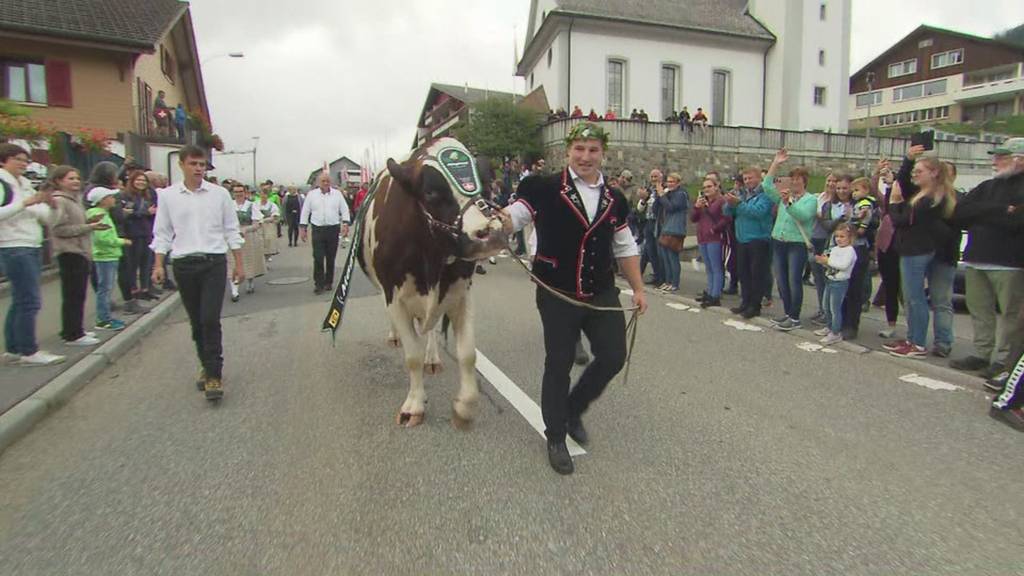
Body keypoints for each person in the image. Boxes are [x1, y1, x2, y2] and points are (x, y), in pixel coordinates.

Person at [499, 122, 647, 475]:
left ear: (602, 154)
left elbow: (625, 247)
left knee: (613, 355)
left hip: (600, 291)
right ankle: (555, 436)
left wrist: (639, 288)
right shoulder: (543, 188)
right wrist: (495, 222)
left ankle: (573, 409)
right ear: (568, 152)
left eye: (593, 149)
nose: (585, 156)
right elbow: (513, 218)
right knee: (560, 361)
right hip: (556, 292)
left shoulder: (616, 199)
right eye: (579, 149)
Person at [150, 146, 245, 401]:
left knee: (210, 318)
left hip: (213, 262)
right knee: (196, 322)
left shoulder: (219, 195)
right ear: (181, 165)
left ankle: (215, 374)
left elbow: (231, 230)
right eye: (193, 163)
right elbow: (162, 233)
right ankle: (205, 363)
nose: (198, 168)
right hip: (183, 263)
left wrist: (238, 263)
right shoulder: (168, 196)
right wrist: (158, 264)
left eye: (202, 164)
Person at [949, 138, 1024, 379]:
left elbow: (1016, 223)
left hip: (1010, 263)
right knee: (980, 310)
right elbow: (959, 213)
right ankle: (981, 354)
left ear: (1019, 160)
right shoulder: (986, 186)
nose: (995, 161)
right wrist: (1000, 209)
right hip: (975, 258)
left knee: (1010, 315)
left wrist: (982, 212)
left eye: (1001, 156)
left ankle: (1004, 360)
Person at [885, 154, 958, 359]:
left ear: (934, 173)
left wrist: (894, 202)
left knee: (915, 298)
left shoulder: (928, 199)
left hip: (916, 250)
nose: (914, 175)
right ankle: (911, 338)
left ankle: (917, 343)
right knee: (913, 298)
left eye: (919, 171)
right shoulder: (925, 195)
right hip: (917, 249)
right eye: (914, 171)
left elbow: (901, 220)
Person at [0, 144, 63, 366]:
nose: (23, 164)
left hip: (32, 243)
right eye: (18, 159)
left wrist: (51, 206)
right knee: (30, 300)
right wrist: (24, 204)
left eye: (26, 161)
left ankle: (14, 349)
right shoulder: (3, 184)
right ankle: (29, 350)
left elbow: (46, 219)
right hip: (13, 245)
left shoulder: (25, 184)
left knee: (20, 299)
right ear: (4, 160)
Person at [762, 151, 818, 331]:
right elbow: (766, 185)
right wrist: (775, 164)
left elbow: (803, 216)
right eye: (792, 179)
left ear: (804, 181)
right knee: (781, 280)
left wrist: (788, 204)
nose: (794, 182)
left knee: (794, 280)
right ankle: (787, 313)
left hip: (797, 243)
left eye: (798, 179)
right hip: (779, 240)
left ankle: (795, 317)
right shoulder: (784, 195)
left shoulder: (811, 199)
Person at [50, 166, 105, 346]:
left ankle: (76, 329)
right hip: (69, 252)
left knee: (79, 294)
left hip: (80, 251)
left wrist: (89, 222)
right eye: (70, 178)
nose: (75, 181)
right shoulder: (59, 201)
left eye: (77, 178)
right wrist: (89, 227)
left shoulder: (75, 200)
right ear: (59, 181)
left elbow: (75, 223)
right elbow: (59, 229)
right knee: (73, 294)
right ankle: (72, 334)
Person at [724, 166, 775, 319]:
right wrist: (730, 203)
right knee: (743, 273)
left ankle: (755, 305)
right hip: (742, 238)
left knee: (756, 274)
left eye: (750, 178)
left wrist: (739, 204)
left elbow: (758, 212)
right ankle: (745, 302)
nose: (747, 182)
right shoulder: (743, 194)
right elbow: (727, 213)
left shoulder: (765, 195)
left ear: (759, 178)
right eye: (745, 179)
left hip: (758, 239)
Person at [86, 186, 130, 332]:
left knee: (105, 288)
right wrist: (121, 241)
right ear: (103, 200)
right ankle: (103, 319)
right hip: (105, 256)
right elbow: (103, 238)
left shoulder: (101, 213)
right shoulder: (99, 215)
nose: (114, 200)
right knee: (104, 289)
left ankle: (105, 317)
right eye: (111, 197)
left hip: (108, 255)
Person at [300, 172, 351, 294]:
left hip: (332, 229)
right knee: (318, 257)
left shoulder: (337, 194)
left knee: (330, 257)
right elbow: (305, 211)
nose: (326, 183)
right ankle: (319, 283)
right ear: (318, 183)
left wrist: (345, 224)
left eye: (327, 181)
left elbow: (344, 209)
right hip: (317, 229)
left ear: (330, 182)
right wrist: (303, 228)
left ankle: (328, 281)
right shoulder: (312, 195)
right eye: (323, 181)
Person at [813, 223, 857, 345]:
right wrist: (822, 261)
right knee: (825, 306)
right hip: (830, 280)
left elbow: (843, 265)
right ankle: (829, 326)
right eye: (837, 236)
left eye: (842, 236)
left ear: (850, 238)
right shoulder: (834, 249)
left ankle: (836, 332)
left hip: (840, 283)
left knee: (835, 308)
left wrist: (828, 261)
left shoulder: (850, 251)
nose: (839, 239)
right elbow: (829, 264)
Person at [691, 177, 730, 307]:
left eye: (709, 186)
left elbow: (726, 219)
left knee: (716, 267)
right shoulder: (703, 202)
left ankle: (715, 295)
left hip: (715, 238)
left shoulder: (722, 201)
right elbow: (693, 218)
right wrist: (697, 207)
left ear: (716, 186)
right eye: (704, 187)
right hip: (702, 237)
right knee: (709, 267)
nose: (706, 189)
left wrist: (715, 229)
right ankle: (710, 291)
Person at [121, 170, 158, 301]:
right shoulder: (126, 195)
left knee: (146, 263)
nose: (141, 183)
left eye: (143, 180)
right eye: (138, 180)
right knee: (133, 263)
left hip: (146, 232)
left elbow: (152, 211)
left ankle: (145, 289)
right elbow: (128, 213)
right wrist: (145, 212)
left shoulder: (147, 196)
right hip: (133, 234)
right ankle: (133, 290)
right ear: (132, 181)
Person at [810, 172, 838, 324]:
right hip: (814, 238)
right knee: (818, 279)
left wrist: (820, 216)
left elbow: (830, 222)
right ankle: (822, 308)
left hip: (826, 241)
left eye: (834, 181)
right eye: (829, 180)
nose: (831, 184)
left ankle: (828, 312)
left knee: (826, 278)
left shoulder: (836, 203)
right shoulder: (818, 197)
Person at [652, 172, 688, 292]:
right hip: (666, 228)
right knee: (665, 257)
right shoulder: (668, 193)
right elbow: (656, 209)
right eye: (668, 181)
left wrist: (662, 195)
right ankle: (667, 281)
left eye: (673, 182)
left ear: (678, 183)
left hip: (675, 229)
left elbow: (671, 207)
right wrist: (659, 196)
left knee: (672, 257)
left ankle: (675, 283)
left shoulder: (681, 194)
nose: (670, 184)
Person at [638, 169, 663, 285]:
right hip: (648, 222)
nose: (653, 179)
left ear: (661, 177)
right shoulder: (650, 190)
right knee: (648, 250)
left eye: (656, 176)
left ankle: (659, 276)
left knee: (655, 251)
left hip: (658, 223)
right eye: (652, 177)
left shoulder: (663, 190)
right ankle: (652, 275)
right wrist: (643, 199)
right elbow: (640, 208)